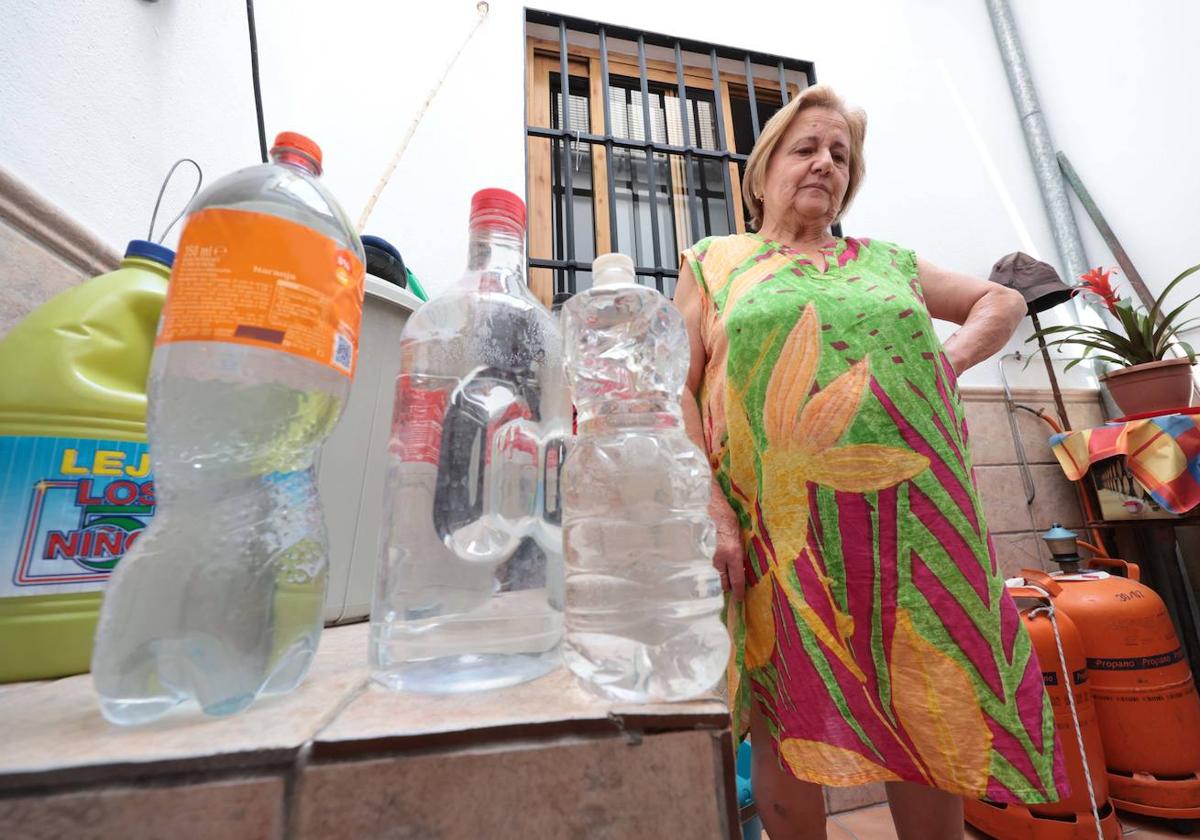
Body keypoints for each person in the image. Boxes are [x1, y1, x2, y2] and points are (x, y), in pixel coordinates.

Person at [675, 84, 1066, 840]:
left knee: (924, 700)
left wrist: (943, 366)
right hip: (776, 533)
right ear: (763, 172)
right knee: (787, 706)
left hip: (904, 531)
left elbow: (1002, 303)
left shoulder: (887, 262)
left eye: (840, 155)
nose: (825, 163)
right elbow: (676, 388)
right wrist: (711, 507)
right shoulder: (716, 262)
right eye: (806, 148)